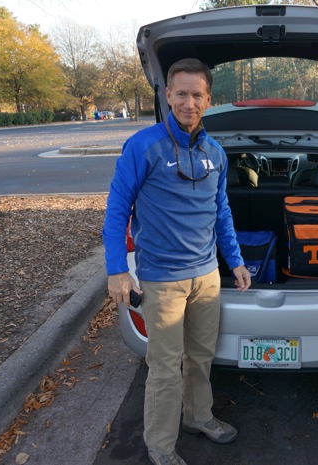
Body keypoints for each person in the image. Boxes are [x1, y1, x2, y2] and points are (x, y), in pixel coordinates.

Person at [102, 58, 252, 465]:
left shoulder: (215, 152)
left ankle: (198, 417)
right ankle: (161, 446)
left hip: (206, 275)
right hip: (162, 279)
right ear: (167, 95)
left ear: (208, 99)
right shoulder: (143, 146)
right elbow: (117, 209)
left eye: (197, 95)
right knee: (165, 368)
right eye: (181, 93)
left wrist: (234, 261)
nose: (189, 102)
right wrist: (117, 268)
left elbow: (220, 210)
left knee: (201, 357)